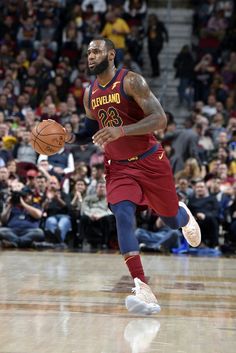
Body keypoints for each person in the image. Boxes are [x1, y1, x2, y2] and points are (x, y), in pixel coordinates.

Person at [64, 38, 201, 315]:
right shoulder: (89, 92)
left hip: (150, 161)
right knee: (123, 215)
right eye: (88, 52)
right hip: (118, 166)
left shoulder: (131, 82)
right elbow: (90, 132)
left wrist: (122, 131)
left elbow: (160, 119)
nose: (90, 56)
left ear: (111, 54)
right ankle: (142, 286)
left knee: (170, 217)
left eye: (96, 51)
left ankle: (183, 215)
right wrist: (67, 138)